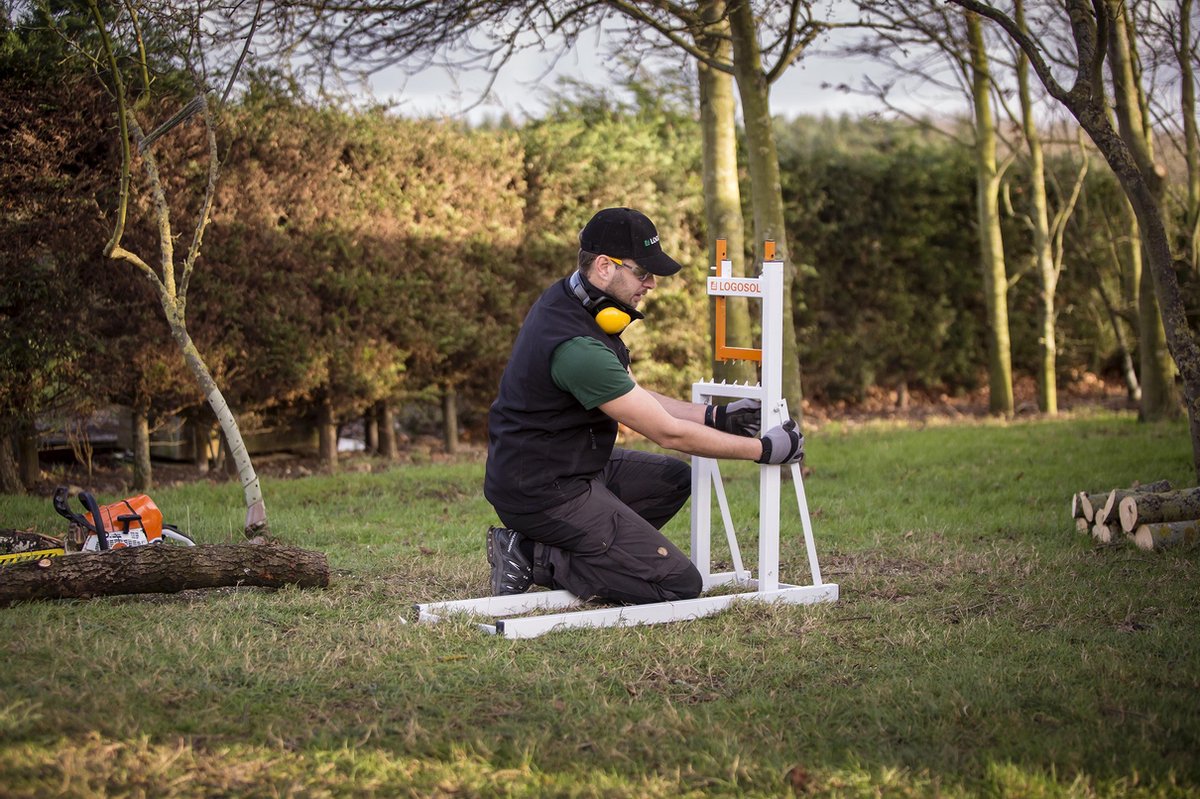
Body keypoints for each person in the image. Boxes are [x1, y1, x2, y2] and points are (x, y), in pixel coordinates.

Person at [483, 207, 804, 604]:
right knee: (678, 584)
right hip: (545, 492)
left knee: (672, 480)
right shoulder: (576, 347)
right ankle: (531, 557)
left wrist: (715, 416)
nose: (651, 284)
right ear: (604, 266)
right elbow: (665, 432)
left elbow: (633, 394)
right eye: (643, 273)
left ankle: (582, 551)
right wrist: (764, 449)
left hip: (570, 468)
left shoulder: (578, 304)